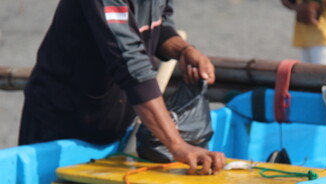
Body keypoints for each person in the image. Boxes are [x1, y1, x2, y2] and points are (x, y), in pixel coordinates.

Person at [19, 0, 225, 175]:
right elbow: (131, 64)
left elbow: (159, 26)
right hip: (59, 123)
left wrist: (184, 50)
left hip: (112, 122)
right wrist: (177, 145)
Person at [281, 0, 326, 66]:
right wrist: (296, 6)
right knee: (308, 74)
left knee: (325, 74)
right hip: (306, 34)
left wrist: (316, 3)